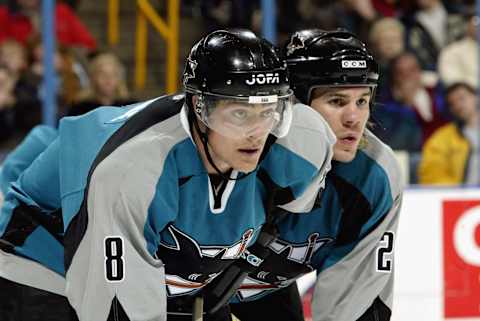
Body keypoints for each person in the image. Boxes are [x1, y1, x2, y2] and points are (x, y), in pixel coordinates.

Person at [0, 29, 335, 321]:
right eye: (239, 113)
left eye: (269, 111)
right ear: (200, 109)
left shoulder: (301, 145)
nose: (257, 132)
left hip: (161, 265)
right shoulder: (133, 170)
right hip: (43, 261)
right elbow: (115, 305)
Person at [228, 29, 404, 321]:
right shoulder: (234, 150)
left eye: (362, 101)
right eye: (336, 101)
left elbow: (354, 301)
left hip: (264, 289)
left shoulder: (374, 175)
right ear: (291, 105)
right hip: (183, 286)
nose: (354, 118)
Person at [418, 82, 479, 185]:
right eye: (452, 103)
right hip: (464, 198)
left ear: (476, 97)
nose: (458, 105)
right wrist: (458, 193)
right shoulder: (442, 138)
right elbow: (432, 174)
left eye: (462, 98)